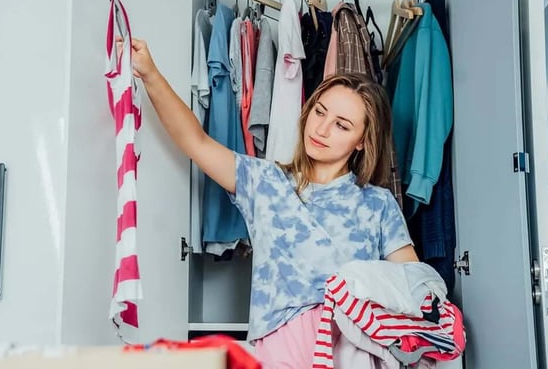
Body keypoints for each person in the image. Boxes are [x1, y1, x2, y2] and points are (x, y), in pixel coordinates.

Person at [129, 38, 419, 368]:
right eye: (319, 112)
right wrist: (149, 74)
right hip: (278, 345)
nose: (321, 129)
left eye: (341, 125)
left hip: (353, 348)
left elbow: (414, 287)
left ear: (362, 141)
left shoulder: (378, 203)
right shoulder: (264, 182)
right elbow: (195, 141)